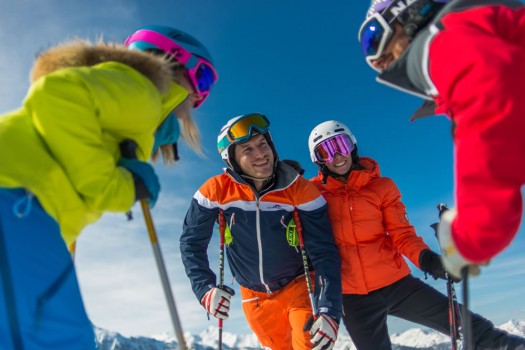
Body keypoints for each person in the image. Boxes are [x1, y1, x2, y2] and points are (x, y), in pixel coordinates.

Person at [0, 24, 217, 349]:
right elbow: (55, 96)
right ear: (171, 60)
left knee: (60, 336)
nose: (201, 95)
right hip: (18, 203)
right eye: (203, 78)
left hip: (28, 211)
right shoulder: (141, 88)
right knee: (57, 338)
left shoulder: (136, 105)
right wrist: (116, 186)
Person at [307, 120, 525, 350]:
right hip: (352, 297)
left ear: (352, 145)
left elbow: (402, 233)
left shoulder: (382, 187)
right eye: (326, 152)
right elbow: (309, 244)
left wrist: (428, 260)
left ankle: (507, 346)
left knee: (457, 320)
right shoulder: (313, 195)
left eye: (341, 144)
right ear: (318, 160)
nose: (337, 156)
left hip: (396, 283)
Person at [357, 0, 525, 279]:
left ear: (408, 11)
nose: (374, 60)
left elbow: (489, 102)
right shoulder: (474, 26)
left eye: (373, 37)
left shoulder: (438, 41)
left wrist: (472, 235)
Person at [180, 113, 342, 350]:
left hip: (298, 286)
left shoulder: (300, 190)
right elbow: (191, 243)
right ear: (232, 159)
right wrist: (204, 288)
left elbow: (325, 251)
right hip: (254, 298)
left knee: (309, 344)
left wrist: (329, 309)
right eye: (247, 149)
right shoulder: (215, 192)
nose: (260, 154)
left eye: (262, 144)